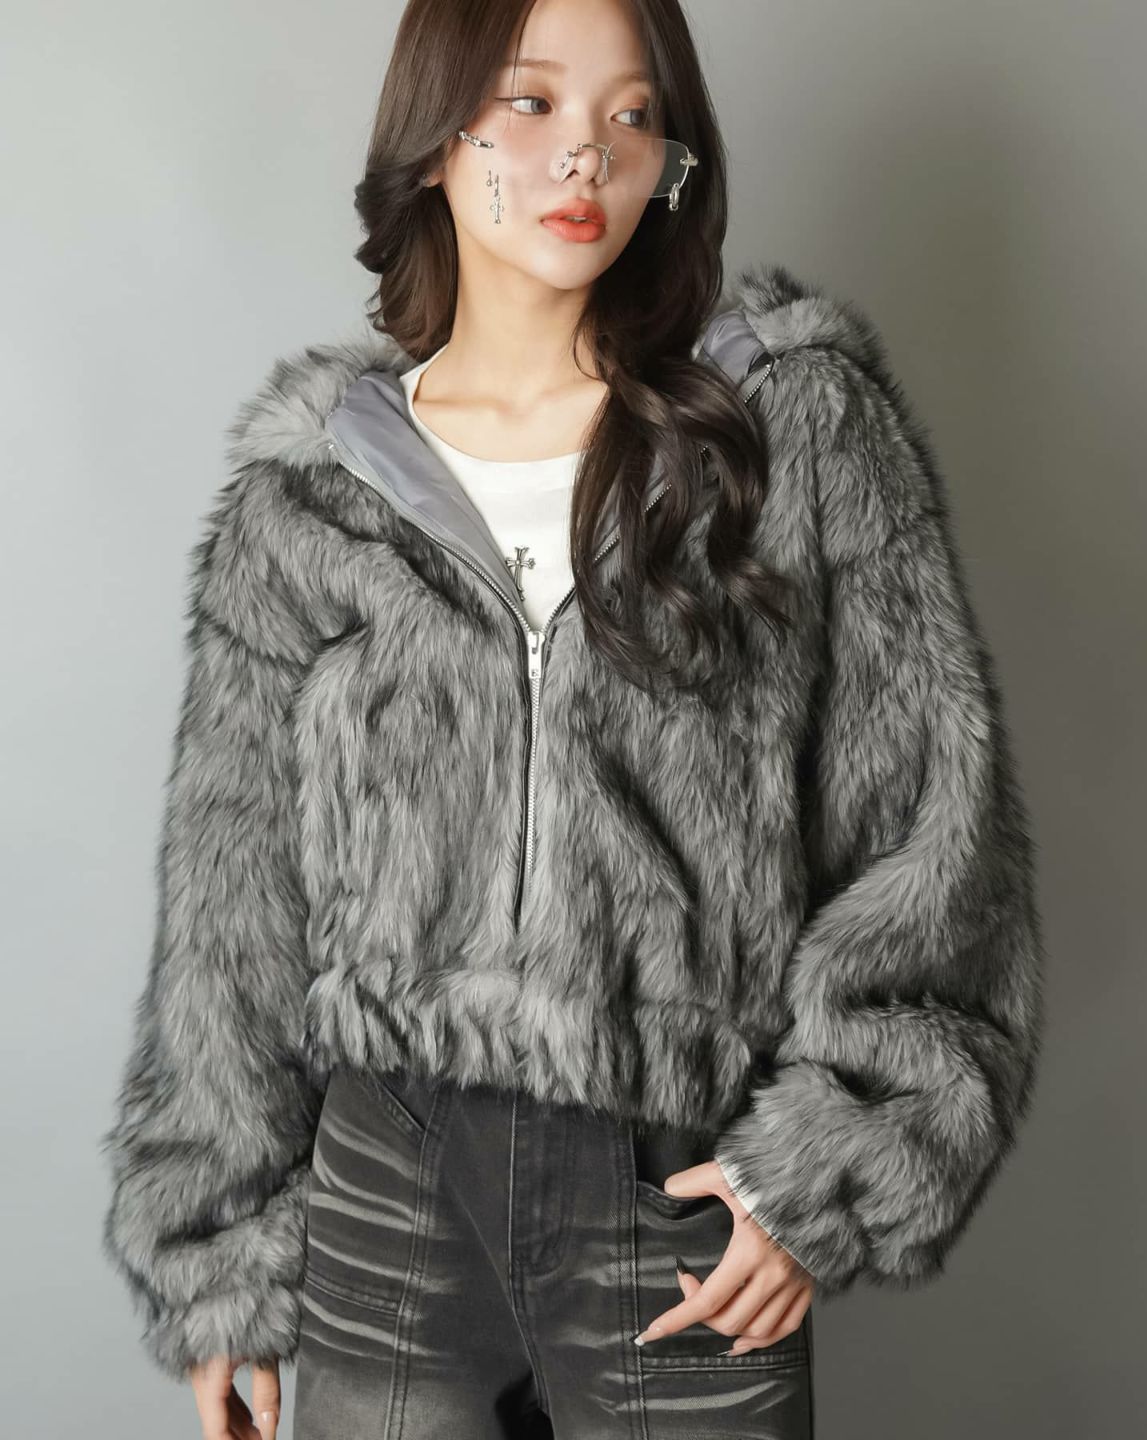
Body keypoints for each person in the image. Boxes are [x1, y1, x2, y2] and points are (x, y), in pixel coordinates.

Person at [98, 0, 1046, 1436]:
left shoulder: (791, 435)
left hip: (676, 1193)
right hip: (384, 1203)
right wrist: (221, 1258)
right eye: (531, 102)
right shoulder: (314, 501)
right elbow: (232, 908)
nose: (586, 154)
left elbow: (935, 840)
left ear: (672, 157)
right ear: (436, 138)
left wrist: (831, 1165)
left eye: (631, 113)